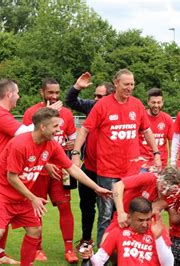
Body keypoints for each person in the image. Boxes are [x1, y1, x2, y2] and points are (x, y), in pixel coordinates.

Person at [0, 108, 112, 266]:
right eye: (55, 126)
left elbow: (72, 168)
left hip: (22, 195)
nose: (59, 129)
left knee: (35, 230)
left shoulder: (51, 145)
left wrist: (96, 187)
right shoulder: (19, 144)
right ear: (42, 127)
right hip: (1, 193)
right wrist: (33, 198)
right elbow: (11, 177)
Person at [72, 69, 162, 246]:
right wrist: (75, 154)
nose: (130, 88)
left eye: (132, 84)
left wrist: (156, 153)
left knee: (129, 212)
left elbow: (147, 130)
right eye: (126, 84)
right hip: (108, 172)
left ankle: (124, 253)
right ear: (116, 84)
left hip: (131, 172)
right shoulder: (103, 105)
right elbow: (84, 129)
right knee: (106, 215)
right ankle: (103, 256)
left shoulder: (136, 105)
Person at [22, 78, 79, 263]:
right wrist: (45, 162)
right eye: (50, 93)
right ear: (42, 93)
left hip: (61, 170)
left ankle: (69, 249)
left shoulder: (67, 114)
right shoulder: (32, 113)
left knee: (65, 207)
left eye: (56, 92)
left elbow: (74, 138)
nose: (54, 96)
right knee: (37, 209)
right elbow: (26, 141)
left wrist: (73, 146)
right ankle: (37, 248)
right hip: (38, 171)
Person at [0, 78, 35, 265]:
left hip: (0, 171)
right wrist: (47, 119)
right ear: (9, 94)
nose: (19, 97)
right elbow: (23, 132)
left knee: (2, 215)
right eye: (17, 93)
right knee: (0, 216)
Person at [64, 72, 115, 248]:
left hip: (110, 170)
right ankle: (86, 239)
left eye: (100, 96)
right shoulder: (93, 107)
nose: (95, 99)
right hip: (90, 167)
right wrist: (77, 87)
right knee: (86, 206)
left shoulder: (119, 110)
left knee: (109, 209)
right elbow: (70, 102)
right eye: (95, 96)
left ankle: (110, 244)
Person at [79, 197, 174, 265]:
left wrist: (158, 238)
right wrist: (90, 254)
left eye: (148, 219)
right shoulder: (118, 232)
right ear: (129, 217)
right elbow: (99, 261)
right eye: (140, 220)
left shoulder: (158, 229)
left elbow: (169, 264)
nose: (145, 224)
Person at [107, 166, 180, 237]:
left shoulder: (171, 195)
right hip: (124, 214)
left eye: (169, 190)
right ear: (160, 178)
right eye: (163, 186)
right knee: (106, 241)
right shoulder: (149, 178)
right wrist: (121, 213)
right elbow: (117, 186)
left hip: (143, 222)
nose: (164, 191)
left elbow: (149, 211)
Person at [138, 88, 174, 171]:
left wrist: (171, 162)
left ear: (163, 102)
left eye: (159, 102)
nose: (156, 105)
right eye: (153, 102)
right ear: (148, 102)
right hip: (143, 164)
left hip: (161, 164)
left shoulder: (167, 119)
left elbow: (172, 143)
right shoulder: (141, 117)